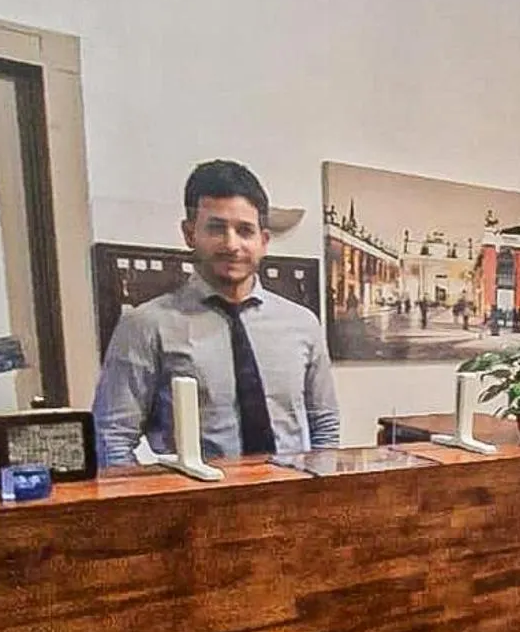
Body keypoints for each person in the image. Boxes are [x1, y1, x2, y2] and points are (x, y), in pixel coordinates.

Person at [94, 159, 340, 465]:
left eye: (245, 230)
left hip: (290, 501)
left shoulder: (302, 324)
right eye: (216, 228)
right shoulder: (145, 326)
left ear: (263, 241)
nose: (231, 244)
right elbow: (112, 437)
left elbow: (325, 428)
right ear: (189, 233)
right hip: (196, 506)